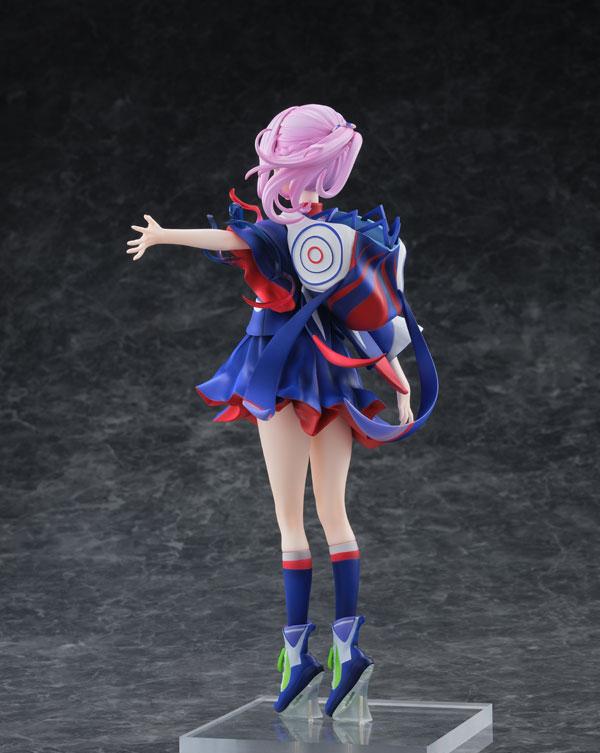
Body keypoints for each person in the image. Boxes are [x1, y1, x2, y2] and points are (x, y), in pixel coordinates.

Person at [126, 104, 438, 720]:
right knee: (332, 515)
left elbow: (234, 240)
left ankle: (300, 657)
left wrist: (165, 236)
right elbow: (372, 320)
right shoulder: (341, 234)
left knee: (293, 522)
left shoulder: (282, 233)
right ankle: (346, 652)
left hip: (284, 378)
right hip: (333, 379)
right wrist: (401, 383)